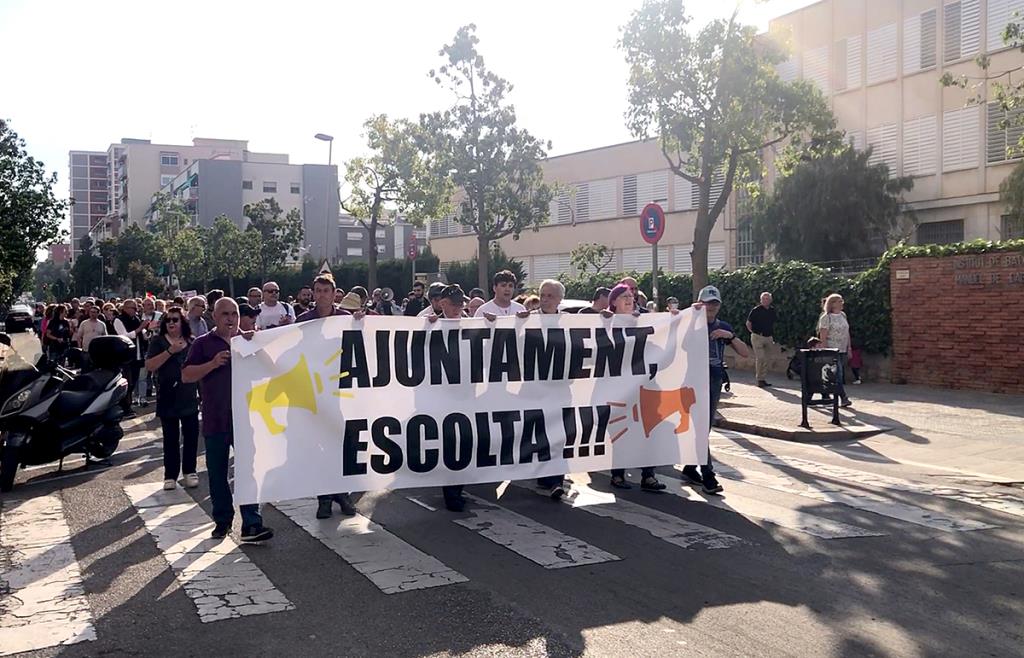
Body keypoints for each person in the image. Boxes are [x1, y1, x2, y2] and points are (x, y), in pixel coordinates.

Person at [182, 298, 273, 543]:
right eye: (225, 314)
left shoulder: (249, 341)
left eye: (234, 313)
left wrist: (258, 347)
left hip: (245, 419)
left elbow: (271, 370)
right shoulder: (202, 344)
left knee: (248, 472)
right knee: (217, 472)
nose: (230, 318)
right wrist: (212, 364)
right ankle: (222, 521)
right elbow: (187, 375)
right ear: (214, 316)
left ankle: (252, 523)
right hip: (215, 418)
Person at [296, 275, 359, 518]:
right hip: (315, 392)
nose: (321, 295)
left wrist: (361, 323)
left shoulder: (346, 319)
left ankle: (343, 494)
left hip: (343, 392)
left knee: (343, 444)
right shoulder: (302, 321)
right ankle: (323, 498)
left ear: (335, 294)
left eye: (326, 290)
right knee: (320, 444)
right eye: (317, 290)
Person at [681, 285, 751, 495]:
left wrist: (729, 336)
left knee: (705, 427)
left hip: (713, 379)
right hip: (692, 380)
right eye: (707, 303)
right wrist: (689, 317)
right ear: (699, 303)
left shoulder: (723, 326)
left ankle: (691, 467)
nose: (710, 308)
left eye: (714, 304)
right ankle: (708, 475)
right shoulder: (690, 324)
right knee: (700, 428)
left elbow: (745, 353)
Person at [606, 284, 666, 492]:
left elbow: (664, 337)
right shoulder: (606, 323)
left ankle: (648, 475)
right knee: (620, 431)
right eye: (623, 296)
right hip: (619, 388)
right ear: (613, 302)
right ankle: (618, 474)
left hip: (646, 385)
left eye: (631, 295)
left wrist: (676, 317)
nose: (629, 299)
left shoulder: (645, 320)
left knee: (648, 430)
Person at [145, 306, 200, 492]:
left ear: (182, 322)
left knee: (191, 435)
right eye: (168, 320)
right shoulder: (157, 342)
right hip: (167, 395)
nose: (171, 323)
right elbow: (150, 365)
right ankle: (170, 475)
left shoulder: (192, 342)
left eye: (175, 320)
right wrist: (170, 351)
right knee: (170, 438)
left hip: (189, 394)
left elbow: (198, 369)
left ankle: (190, 471)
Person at [427, 284, 472, 511]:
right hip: (441, 396)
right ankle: (451, 493)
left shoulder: (474, 325)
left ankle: (457, 488)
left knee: (464, 443)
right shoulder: (429, 325)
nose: (458, 308)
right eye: (453, 304)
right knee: (448, 444)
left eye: (460, 303)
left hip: (466, 396)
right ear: (442, 303)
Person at [533, 279, 568, 499]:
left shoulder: (570, 321)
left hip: (561, 388)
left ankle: (557, 479)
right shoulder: (527, 320)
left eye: (550, 296)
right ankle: (544, 474)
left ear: (559, 299)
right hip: (534, 388)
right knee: (539, 433)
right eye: (542, 295)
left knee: (559, 434)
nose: (545, 300)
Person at [817, 293, 852, 407]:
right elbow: (823, 336)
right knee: (838, 375)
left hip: (842, 348)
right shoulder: (826, 317)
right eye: (840, 301)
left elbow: (847, 332)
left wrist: (849, 347)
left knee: (832, 375)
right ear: (833, 304)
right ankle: (843, 397)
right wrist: (825, 350)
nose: (842, 303)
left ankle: (825, 394)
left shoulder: (843, 315)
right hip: (831, 349)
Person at [113, 299, 145, 417]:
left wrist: (148, 329)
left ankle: (127, 406)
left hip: (137, 354)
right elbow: (124, 336)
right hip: (125, 357)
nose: (136, 311)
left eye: (137, 308)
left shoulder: (135, 319)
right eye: (133, 308)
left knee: (134, 381)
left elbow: (143, 335)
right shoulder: (119, 320)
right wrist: (140, 328)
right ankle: (124, 407)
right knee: (128, 382)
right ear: (125, 308)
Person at [745, 292, 777, 387]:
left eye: (767, 299)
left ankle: (763, 379)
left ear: (770, 300)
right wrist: (753, 332)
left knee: (767, 359)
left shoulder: (772, 310)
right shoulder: (756, 310)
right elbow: (748, 323)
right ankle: (759, 379)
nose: (765, 300)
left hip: (768, 337)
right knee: (760, 357)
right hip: (757, 336)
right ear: (760, 300)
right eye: (763, 299)